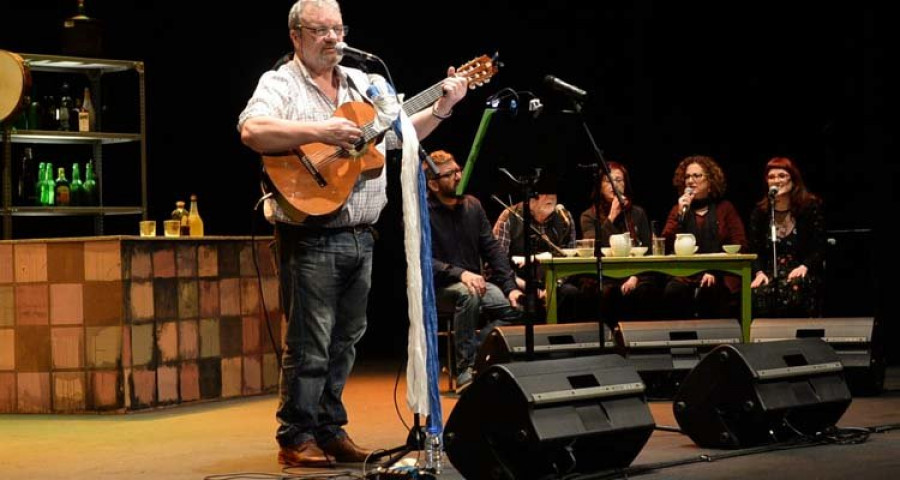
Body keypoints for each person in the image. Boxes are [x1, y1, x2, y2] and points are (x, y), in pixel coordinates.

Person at [237, 0, 468, 468]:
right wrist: (320, 128)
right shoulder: (279, 82)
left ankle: (329, 428)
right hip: (310, 232)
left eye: (338, 29)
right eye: (320, 30)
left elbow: (403, 132)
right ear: (296, 36)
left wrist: (443, 105)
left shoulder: (366, 82)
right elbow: (252, 130)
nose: (332, 39)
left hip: (362, 234)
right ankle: (296, 435)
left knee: (346, 340)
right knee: (310, 341)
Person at [426, 150, 524, 394]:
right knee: (467, 294)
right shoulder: (422, 211)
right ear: (433, 184)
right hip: (437, 287)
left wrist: (511, 287)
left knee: (520, 306)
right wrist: (460, 274)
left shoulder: (472, 205)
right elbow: (421, 259)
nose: (459, 176)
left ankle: (476, 355)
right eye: (450, 174)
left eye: (459, 170)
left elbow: (492, 249)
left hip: (477, 285)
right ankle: (464, 369)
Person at [661, 155, 747, 319]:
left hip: (720, 272)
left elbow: (740, 244)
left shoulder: (725, 208)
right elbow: (665, 246)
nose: (690, 181)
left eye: (697, 176)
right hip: (686, 274)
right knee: (673, 291)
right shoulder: (678, 210)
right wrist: (680, 214)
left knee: (712, 291)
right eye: (687, 176)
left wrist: (714, 270)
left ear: (710, 182)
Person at [580, 161, 661, 322]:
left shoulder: (637, 213)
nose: (614, 184)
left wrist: (634, 278)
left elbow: (647, 250)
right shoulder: (589, 215)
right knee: (607, 292)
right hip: (604, 276)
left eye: (619, 180)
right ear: (600, 186)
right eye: (608, 181)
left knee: (646, 291)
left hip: (635, 274)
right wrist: (611, 216)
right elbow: (593, 246)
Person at [749, 157, 826, 317]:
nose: (776, 181)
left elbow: (819, 245)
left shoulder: (809, 208)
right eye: (771, 177)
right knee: (759, 291)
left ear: (793, 179)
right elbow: (754, 248)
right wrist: (759, 272)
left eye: (782, 176)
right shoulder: (761, 212)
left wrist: (805, 266)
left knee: (794, 287)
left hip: (801, 268)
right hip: (770, 271)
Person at [491, 182, 577, 320]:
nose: (550, 197)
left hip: (554, 282)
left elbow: (570, 257)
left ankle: (560, 339)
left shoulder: (564, 217)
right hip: (518, 283)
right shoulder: (509, 217)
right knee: (523, 304)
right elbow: (498, 263)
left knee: (570, 293)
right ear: (530, 197)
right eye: (544, 193)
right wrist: (526, 286)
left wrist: (553, 285)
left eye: (553, 193)